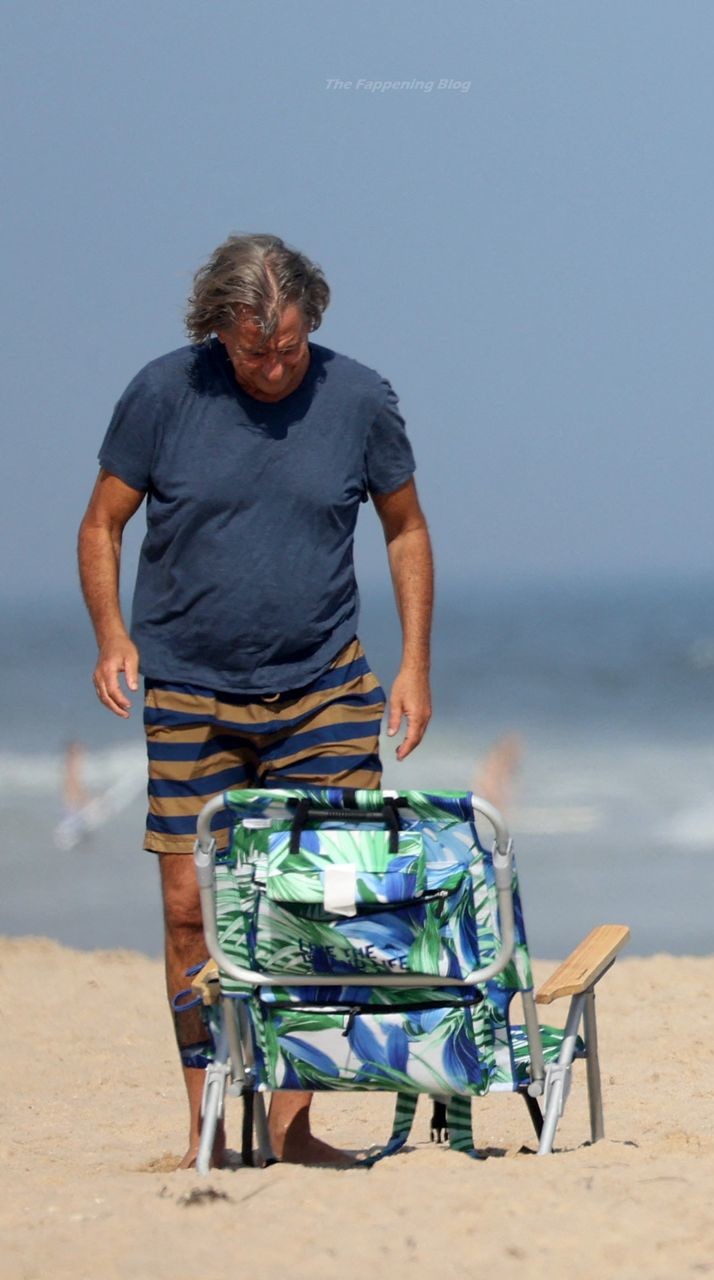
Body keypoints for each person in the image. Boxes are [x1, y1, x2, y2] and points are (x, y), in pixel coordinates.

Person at [77, 233, 436, 1166]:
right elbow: (102, 523)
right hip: (190, 688)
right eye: (252, 352)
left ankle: (292, 1128)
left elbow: (404, 529)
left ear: (312, 322)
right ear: (216, 333)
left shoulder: (360, 398)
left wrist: (414, 665)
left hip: (324, 684)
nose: (273, 367)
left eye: (288, 346)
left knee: (322, 906)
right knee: (188, 912)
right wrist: (112, 635)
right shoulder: (164, 394)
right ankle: (205, 1126)